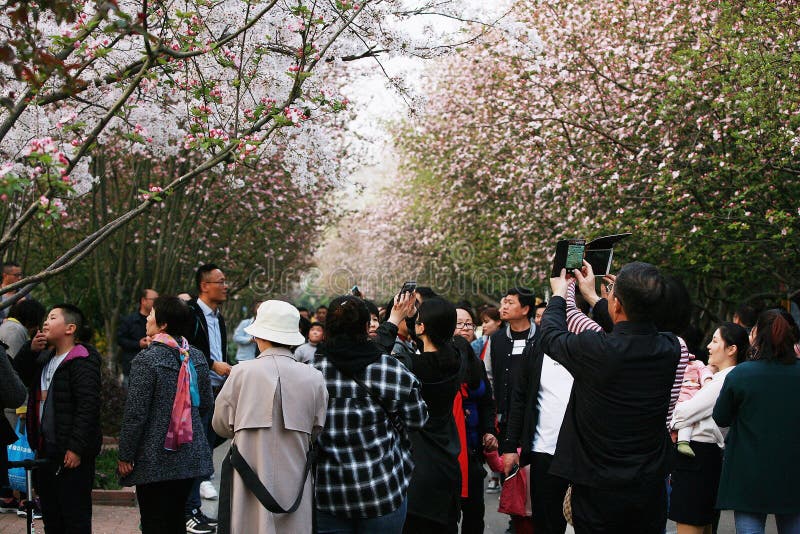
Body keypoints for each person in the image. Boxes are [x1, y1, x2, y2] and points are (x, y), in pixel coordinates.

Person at [539, 262, 681, 534]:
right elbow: (630, 329)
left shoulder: (597, 350)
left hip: (597, 486)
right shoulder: (670, 347)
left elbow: (550, 336)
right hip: (649, 486)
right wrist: (593, 297)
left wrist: (558, 294)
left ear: (616, 305)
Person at [314, 294, 427, 533]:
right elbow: (418, 419)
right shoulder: (389, 368)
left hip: (330, 493)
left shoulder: (312, 372)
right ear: (367, 327)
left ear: (327, 329)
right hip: (382, 490)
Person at [213, 300, 327, 533]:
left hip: (248, 478)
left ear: (258, 336)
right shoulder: (314, 377)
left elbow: (221, 425)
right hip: (295, 482)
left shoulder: (241, 373)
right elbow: (317, 428)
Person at [117, 296, 214, 534]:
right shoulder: (197, 357)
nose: (147, 318)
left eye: (151, 314)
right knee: (175, 520)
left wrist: (126, 454)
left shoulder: (146, 360)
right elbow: (205, 403)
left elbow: (136, 413)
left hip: (154, 457)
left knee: (153, 521)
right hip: (188, 456)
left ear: (162, 325)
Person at [14, 304, 102, 534]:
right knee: (52, 518)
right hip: (46, 451)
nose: (45, 322)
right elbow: (19, 378)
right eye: (46, 318)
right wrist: (29, 350)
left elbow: (88, 406)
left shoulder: (82, 359)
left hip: (71, 455)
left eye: (53, 318)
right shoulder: (44, 357)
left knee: (75, 517)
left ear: (70, 328)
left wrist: (76, 447)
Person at [713, 309, 800, 534]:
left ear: (756, 335)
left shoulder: (742, 374)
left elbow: (720, 417)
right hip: (793, 472)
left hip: (747, 473)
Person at [667, 322, 748, 534]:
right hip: (704, 458)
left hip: (697, 458)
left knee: (690, 524)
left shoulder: (725, 380)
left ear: (732, 349)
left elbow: (685, 412)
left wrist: (672, 416)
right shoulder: (724, 377)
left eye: (715, 341)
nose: (709, 347)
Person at [404, 297, 463, 533]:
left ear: (422, 328)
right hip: (447, 461)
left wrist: (395, 318)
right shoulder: (457, 359)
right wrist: (413, 319)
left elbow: (378, 352)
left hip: (418, 465)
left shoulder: (411, 366)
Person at [184, 264, 231, 531]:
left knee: (206, 447)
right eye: (220, 281)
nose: (225, 286)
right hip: (195, 391)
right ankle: (189, 510)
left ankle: (193, 508)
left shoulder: (218, 317)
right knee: (197, 450)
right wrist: (213, 365)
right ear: (204, 285)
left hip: (215, 391)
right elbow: (186, 347)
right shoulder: (191, 313)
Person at [455, 335, 497, 534]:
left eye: (467, 323)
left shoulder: (477, 365)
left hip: (474, 448)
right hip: (452, 449)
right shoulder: (440, 365)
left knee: (474, 510)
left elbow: (487, 403)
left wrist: (489, 430)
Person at [490, 288, 536, 443]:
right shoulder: (496, 339)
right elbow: (489, 374)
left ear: (525, 309)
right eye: (504, 302)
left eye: (510, 303)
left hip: (535, 415)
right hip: (504, 417)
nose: (504, 307)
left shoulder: (541, 337)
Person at [673, 356, 714, 457]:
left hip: (694, 394)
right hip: (678, 394)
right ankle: (676, 439)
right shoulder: (671, 364)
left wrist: (707, 381)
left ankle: (683, 442)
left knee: (688, 416)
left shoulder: (697, 364)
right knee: (678, 415)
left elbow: (705, 371)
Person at [117, 288, 159, 386]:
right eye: (154, 300)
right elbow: (120, 340)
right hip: (132, 368)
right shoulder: (129, 321)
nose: (157, 303)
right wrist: (138, 344)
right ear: (143, 301)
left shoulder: (159, 322)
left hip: (154, 369)